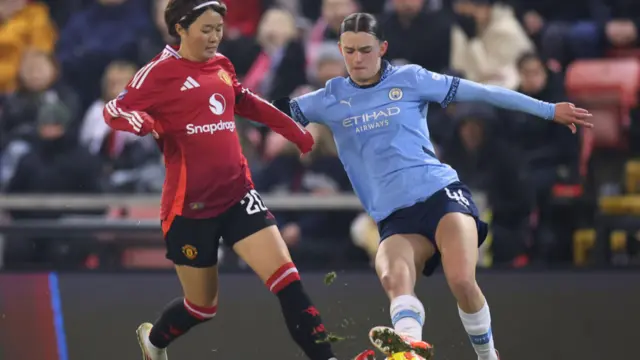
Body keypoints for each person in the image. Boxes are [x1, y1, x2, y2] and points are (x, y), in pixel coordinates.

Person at [274, 12, 592, 360]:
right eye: (348, 51)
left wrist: (548, 110)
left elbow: (482, 92)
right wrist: (220, 93)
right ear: (340, 49)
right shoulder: (328, 99)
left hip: (442, 197)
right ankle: (409, 349)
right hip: (395, 217)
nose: (357, 59)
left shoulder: (412, 79)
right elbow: (270, 113)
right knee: (394, 278)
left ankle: (487, 357)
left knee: (461, 281)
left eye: (365, 50)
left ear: (382, 48)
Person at [102, 2, 372, 360]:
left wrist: (295, 131)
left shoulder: (222, 65)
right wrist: (138, 121)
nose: (216, 37)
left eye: (219, 29)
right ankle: (154, 344)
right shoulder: (156, 73)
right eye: (207, 29)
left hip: (238, 195)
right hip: (190, 210)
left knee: (288, 282)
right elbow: (114, 109)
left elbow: (247, 102)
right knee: (202, 307)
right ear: (181, 28)